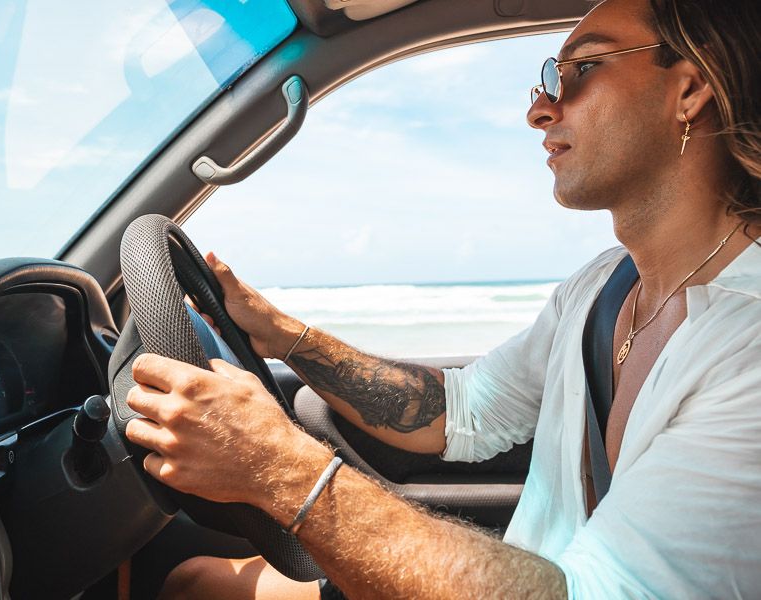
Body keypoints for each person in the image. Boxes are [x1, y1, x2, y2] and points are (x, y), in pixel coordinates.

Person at [124, 0, 761, 597]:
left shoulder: (747, 347)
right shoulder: (603, 285)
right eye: (548, 77)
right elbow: (463, 410)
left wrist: (278, 466)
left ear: (690, 88)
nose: (541, 108)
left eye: (580, 69)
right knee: (196, 582)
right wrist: (280, 333)